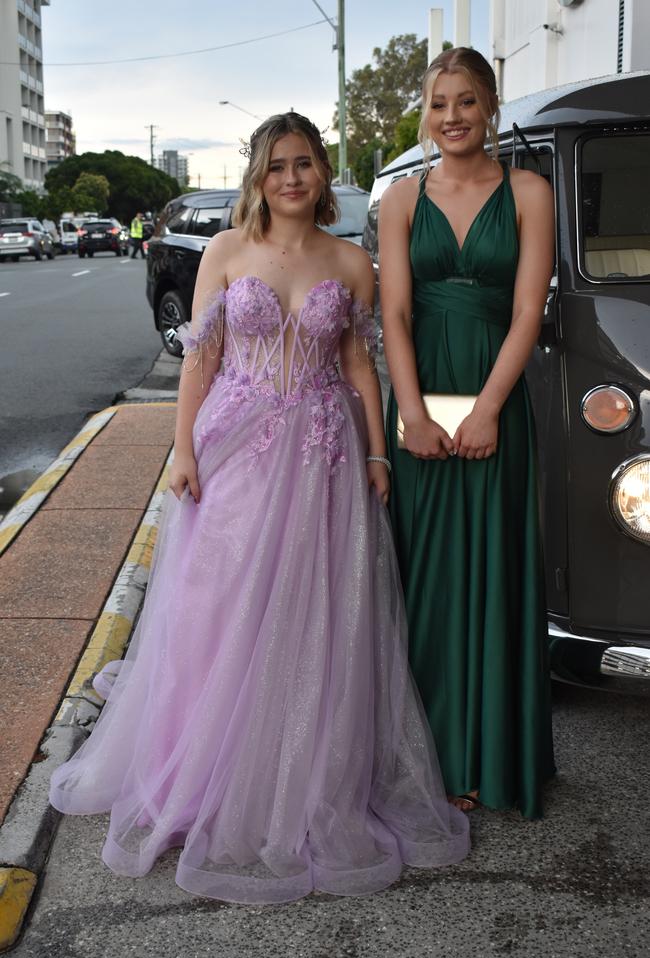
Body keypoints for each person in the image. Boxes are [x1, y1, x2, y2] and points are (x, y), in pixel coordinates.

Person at [50, 112, 469, 903]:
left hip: (322, 456)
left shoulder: (350, 260)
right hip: (233, 448)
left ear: (321, 174)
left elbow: (355, 362)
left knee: (311, 615)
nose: (291, 178)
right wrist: (182, 451)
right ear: (259, 175)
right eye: (278, 165)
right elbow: (201, 359)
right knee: (220, 604)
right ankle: (205, 768)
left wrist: (379, 453)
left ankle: (295, 776)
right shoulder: (225, 251)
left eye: (305, 164)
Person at [379, 48, 556, 819]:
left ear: (491, 106)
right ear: (426, 111)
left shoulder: (528, 191)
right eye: (439, 103)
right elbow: (391, 314)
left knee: (493, 566)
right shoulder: (397, 199)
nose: (452, 117)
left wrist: (486, 409)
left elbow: (527, 312)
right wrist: (411, 414)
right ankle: (426, 762)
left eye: (467, 102)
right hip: (422, 399)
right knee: (429, 577)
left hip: (495, 391)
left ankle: (489, 756)